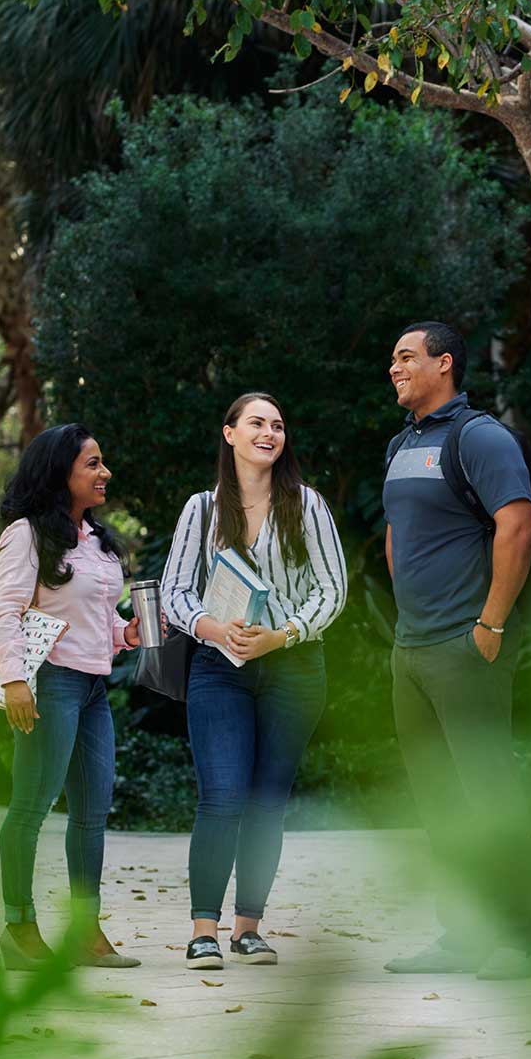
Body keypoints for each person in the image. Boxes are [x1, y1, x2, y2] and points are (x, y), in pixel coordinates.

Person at [162, 392, 347, 970]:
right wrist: (212, 628)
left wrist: (284, 634)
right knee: (221, 797)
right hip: (220, 669)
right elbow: (174, 590)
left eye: (278, 424)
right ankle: (202, 932)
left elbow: (333, 590)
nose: (269, 432)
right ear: (230, 434)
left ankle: (248, 928)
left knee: (267, 801)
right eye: (257, 423)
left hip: (294, 667)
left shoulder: (307, 505)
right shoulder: (201, 509)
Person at [380, 321, 531, 981]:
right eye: (393, 359)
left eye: (406, 356)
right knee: (438, 798)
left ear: (443, 364)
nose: (394, 368)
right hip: (411, 648)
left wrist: (491, 624)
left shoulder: (480, 437)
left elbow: (518, 524)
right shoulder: (401, 443)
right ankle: (464, 934)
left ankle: (515, 942)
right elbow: (399, 531)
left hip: (465, 644)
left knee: (486, 793)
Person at [0, 423, 141, 970]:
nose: (105, 473)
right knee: (30, 808)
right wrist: (13, 680)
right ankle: (18, 927)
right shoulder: (27, 534)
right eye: (93, 464)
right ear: (61, 473)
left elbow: (98, 618)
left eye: (102, 463)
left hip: (94, 686)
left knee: (92, 811)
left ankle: (84, 930)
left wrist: (129, 632)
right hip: (48, 683)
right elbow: (1, 611)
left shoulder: (97, 540)